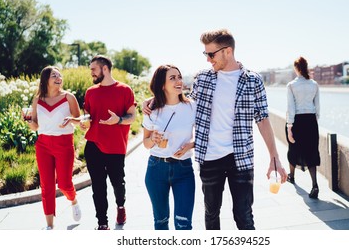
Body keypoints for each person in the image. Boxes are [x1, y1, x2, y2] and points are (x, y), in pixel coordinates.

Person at [144, 29, 287, 230]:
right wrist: (153, 101)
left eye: (211, 54)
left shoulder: (253, 80)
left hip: (241, 158)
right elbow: (182, 102)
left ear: (227, 51)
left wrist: (275, 159)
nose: (208, 60)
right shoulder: (202, 78)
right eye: (206, 55)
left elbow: (262, 120)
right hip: (210, 158)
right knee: (211, 215)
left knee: (244, 216)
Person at [82, 55, 136, 230]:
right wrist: (82, 122)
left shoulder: (125, 90)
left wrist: (118, 120)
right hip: (93, 145)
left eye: (93, 69)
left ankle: (121, 206)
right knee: (98, 186)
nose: (91, 73)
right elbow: (88, 116)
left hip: (115, 146)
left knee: (118, 183)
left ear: (104, 69)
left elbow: (132, 117)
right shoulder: (91, 92)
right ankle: (102, 223)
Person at [27, 66, 82, 230]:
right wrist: (30, 123)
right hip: (43, 144)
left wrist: (71, 119)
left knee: (64, 184)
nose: (58, 77)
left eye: (59, 75)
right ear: (46, 80)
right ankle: (50, 226)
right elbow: (35, 125)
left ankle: (73, 200)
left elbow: (81, 120)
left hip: (64, 144)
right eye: (54, 75)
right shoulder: (38, 100)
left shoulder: (68, 97)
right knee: (47, 185)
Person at [142, 64, 196, 230]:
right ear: (162, 85)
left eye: (179, 77)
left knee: (184, 224)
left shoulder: (192, 107)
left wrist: (189, 146)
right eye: (172, 78)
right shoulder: (152, 109)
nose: (178, 81)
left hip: (184, 169)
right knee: (160, 222)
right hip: (156, 168)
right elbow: (146, 143)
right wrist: (153, 138)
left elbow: (204, 136)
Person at [285, 56, 321, 199]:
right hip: (311, 120)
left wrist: (289, 126)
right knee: (312, 151)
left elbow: (290, 107)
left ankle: (292, 177)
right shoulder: (314, 84)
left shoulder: (291, 85)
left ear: (296, 68)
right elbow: (317, 107)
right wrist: (313, 121)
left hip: (297, 120)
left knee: (293, 147)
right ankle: (315, 185)